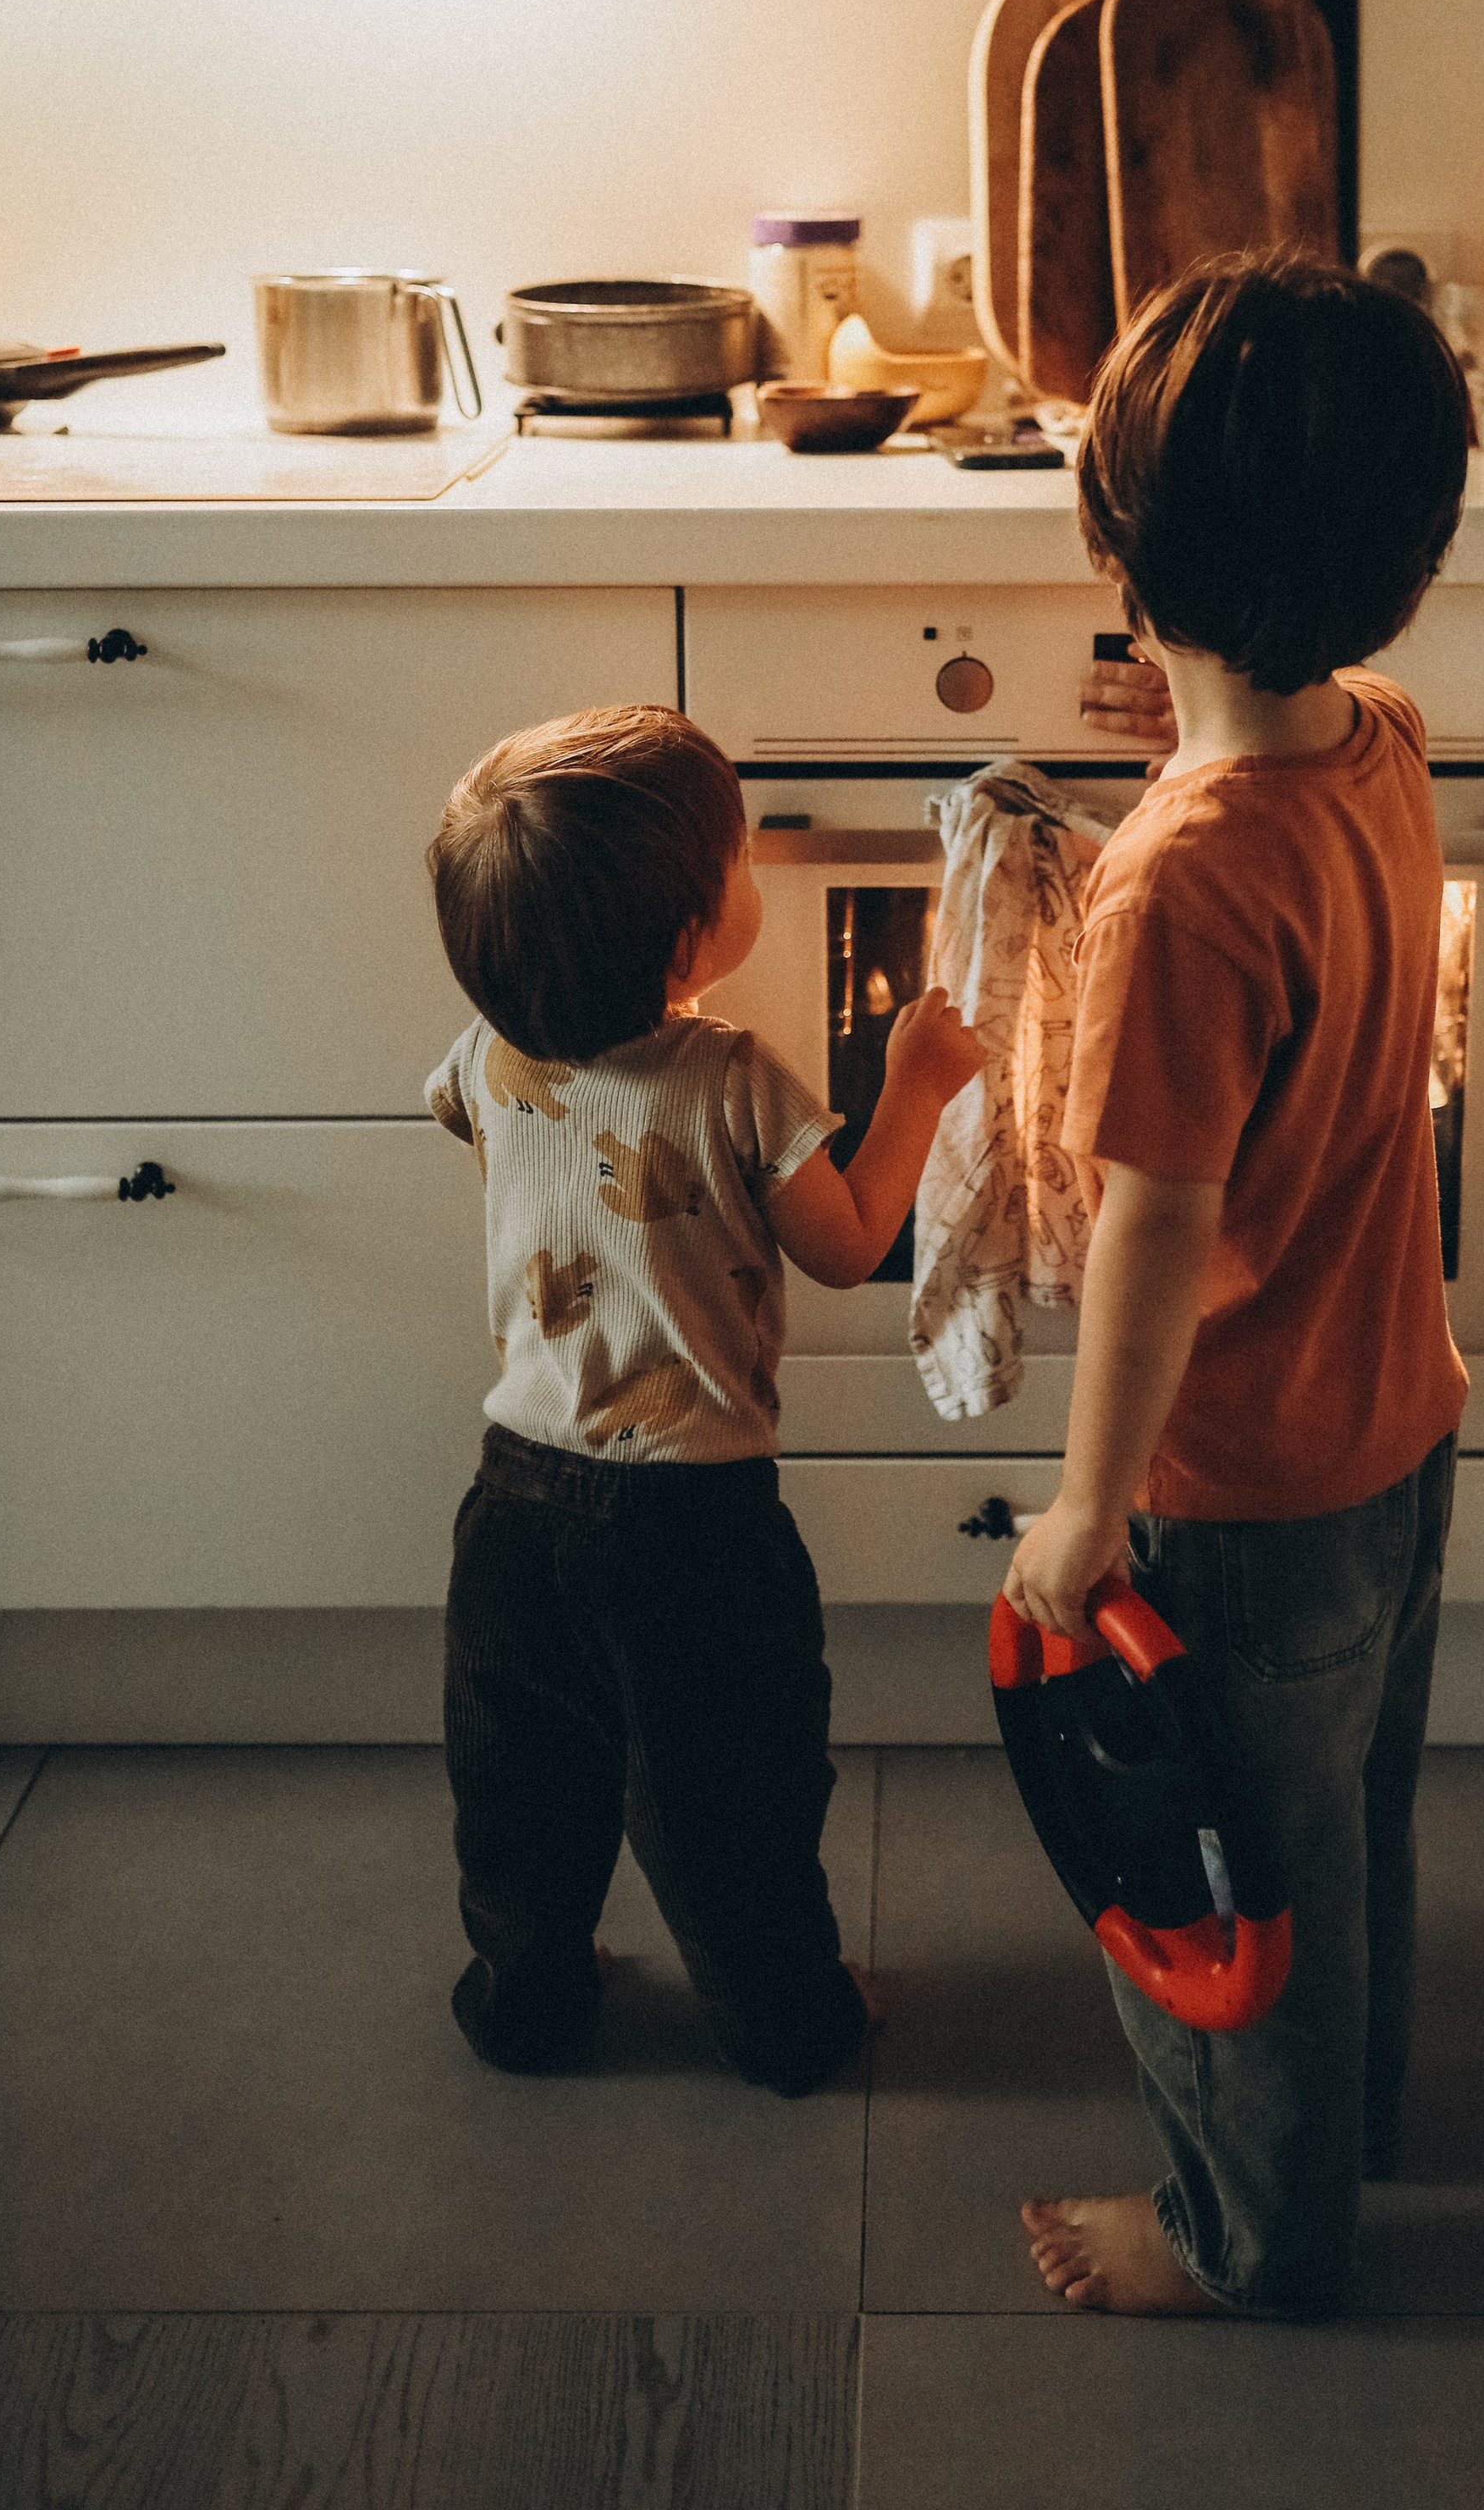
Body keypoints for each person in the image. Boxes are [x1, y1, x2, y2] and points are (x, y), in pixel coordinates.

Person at [1007, 248, 1474, 2316]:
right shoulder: (1374, 738)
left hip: (1240, 1499)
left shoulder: (1179, 878)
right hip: (1399, 1432)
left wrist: (1090, 1506)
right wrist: (1187, 733)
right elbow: (1257, 817)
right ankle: (1344, 2133)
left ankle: (1247, 2239)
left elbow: (1154, 1221)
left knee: (1223, 1897)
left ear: (1118, 539)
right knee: (1345, 1840)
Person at [424, 704, 980, 2098]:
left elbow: (473, 1132)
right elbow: (848, 1246)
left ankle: (527, 2002)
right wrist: (916, 1084)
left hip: (516, 1493)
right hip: (693, 1522)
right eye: (738, 862)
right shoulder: (732, 1079)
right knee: (729, 1791)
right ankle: (789, 2021)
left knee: (523, 1779)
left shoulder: (484, 1055)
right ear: (686, 939)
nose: (753, 874)